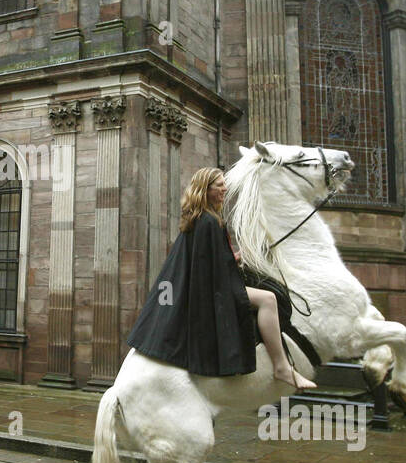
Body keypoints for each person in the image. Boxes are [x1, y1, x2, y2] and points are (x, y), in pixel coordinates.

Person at [127, 167, 316, 389]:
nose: (225, 188)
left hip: (209, 286)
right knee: (268, 300)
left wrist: (232, 258)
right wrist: (233, 264)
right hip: (214, 291)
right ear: (205, 190)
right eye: (219, 185)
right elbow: (215, 270)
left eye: (224, 184)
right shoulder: (210, 221)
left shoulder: (198, 218)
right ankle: (282, 367)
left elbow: (209, 261)